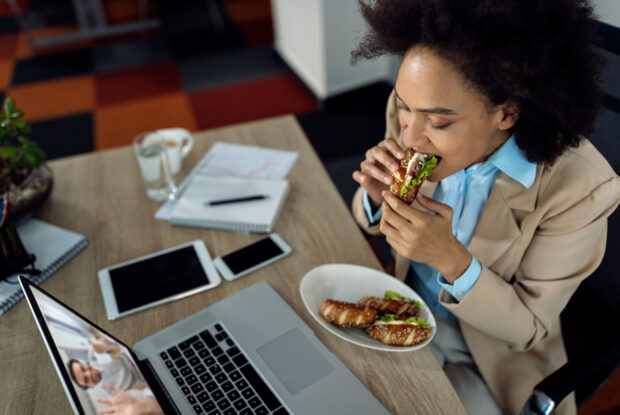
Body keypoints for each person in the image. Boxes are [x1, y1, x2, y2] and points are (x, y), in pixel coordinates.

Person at [350, 1, 620, 414]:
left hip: (487, 359)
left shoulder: (580, 189)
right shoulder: (414, 111)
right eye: (404, 107)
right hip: (405, 306)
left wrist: (451, 260)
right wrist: (374, 196)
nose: (412, 137)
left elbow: (527, 329)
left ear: (506, 112)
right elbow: (374, 222)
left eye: (439, 123)